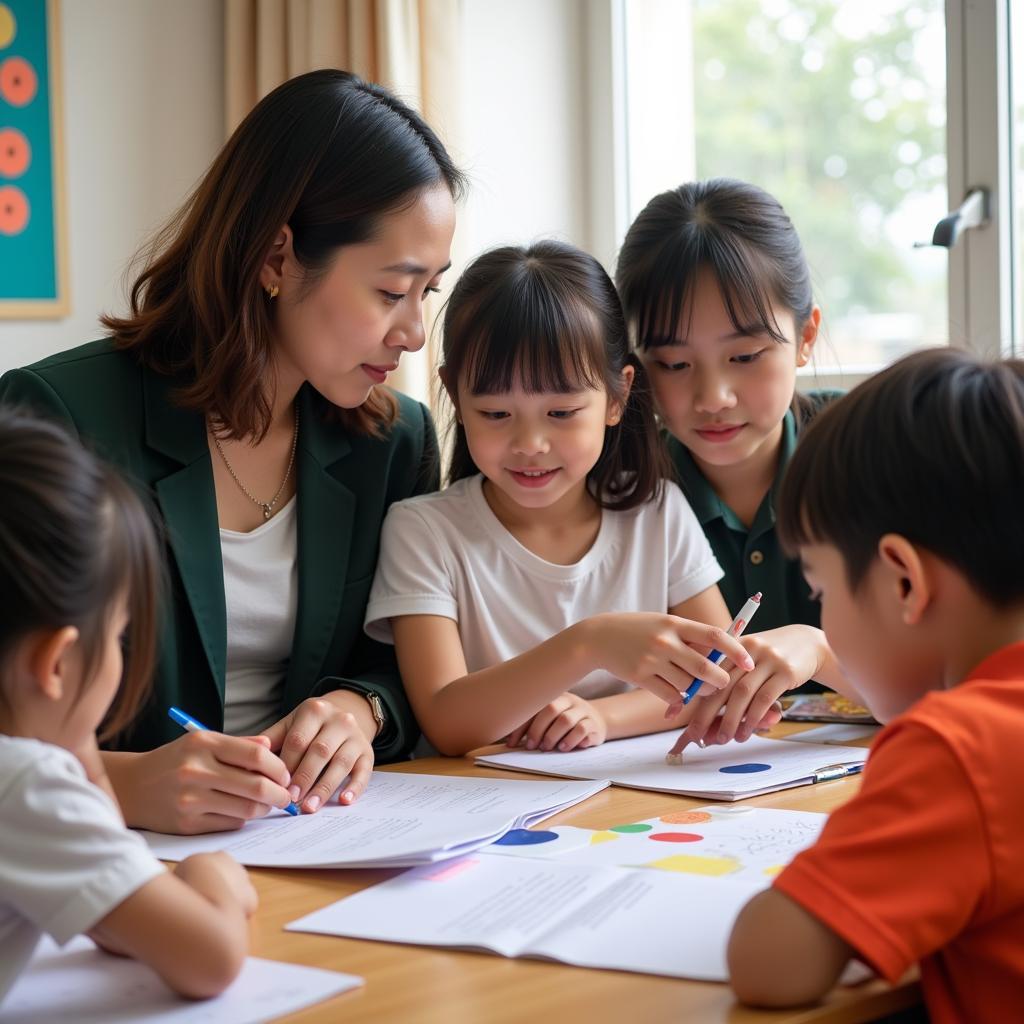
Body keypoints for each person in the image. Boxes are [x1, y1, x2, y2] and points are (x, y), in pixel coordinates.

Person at [0, 69, 461, 834]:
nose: (414, 332)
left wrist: (360, 709)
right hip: (98, 874)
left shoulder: (395, 441)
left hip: (314, 848)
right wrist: (112, 785)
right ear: (277, 258)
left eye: (429, 293)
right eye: (391, 292)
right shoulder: (54, 419)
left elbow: (414, 664)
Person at [364, 240, 785, 757]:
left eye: (561, 413)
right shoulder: (423, 531)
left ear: (618, 395)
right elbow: (448, 721)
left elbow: (713, 679)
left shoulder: (658, 514)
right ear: (454, 393)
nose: (530, 445)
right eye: (496, 414)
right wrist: (589, 644)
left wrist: (600, 717)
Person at [727, 348, 1024, 1020]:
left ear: (903, 581)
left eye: (820, 590)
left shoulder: (957, 749)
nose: (821, 616)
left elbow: (771, 965)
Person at [0, 410, 259, 1003]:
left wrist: (74, 740)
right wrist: (212, 876)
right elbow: (209, 959)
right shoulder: (26, 788)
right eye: (118, 636)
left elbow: (115, 920)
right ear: (58, 665)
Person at [616, 177, 853, 755]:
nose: (713, 396)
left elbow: (969, 680)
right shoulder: (612, 490)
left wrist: (821, 651)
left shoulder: (877, 453)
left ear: (806, 336)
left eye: (745, 357)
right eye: (672, 363)